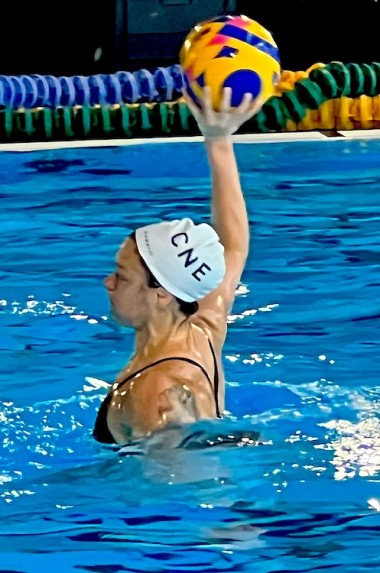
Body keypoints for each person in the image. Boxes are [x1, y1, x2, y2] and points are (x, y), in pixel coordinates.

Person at [93, 87, 262, 445]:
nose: (108, 283)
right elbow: (233, 246)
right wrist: (218, 139)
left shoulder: (156, 395)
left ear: (161, 295)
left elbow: (172, 486)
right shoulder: (202, 328)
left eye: (122, 276)